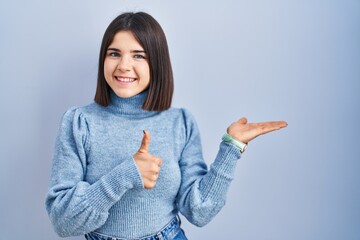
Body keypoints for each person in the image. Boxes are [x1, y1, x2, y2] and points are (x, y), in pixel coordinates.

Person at [45, 12, 287, 240]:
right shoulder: (79, 122)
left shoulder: (180, 122)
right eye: (114, 53)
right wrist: (125, 175)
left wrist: (232, 147)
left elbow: (199, 211)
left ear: (157, 62)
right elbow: (63, 222)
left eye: (139, 55)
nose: (123, 66)